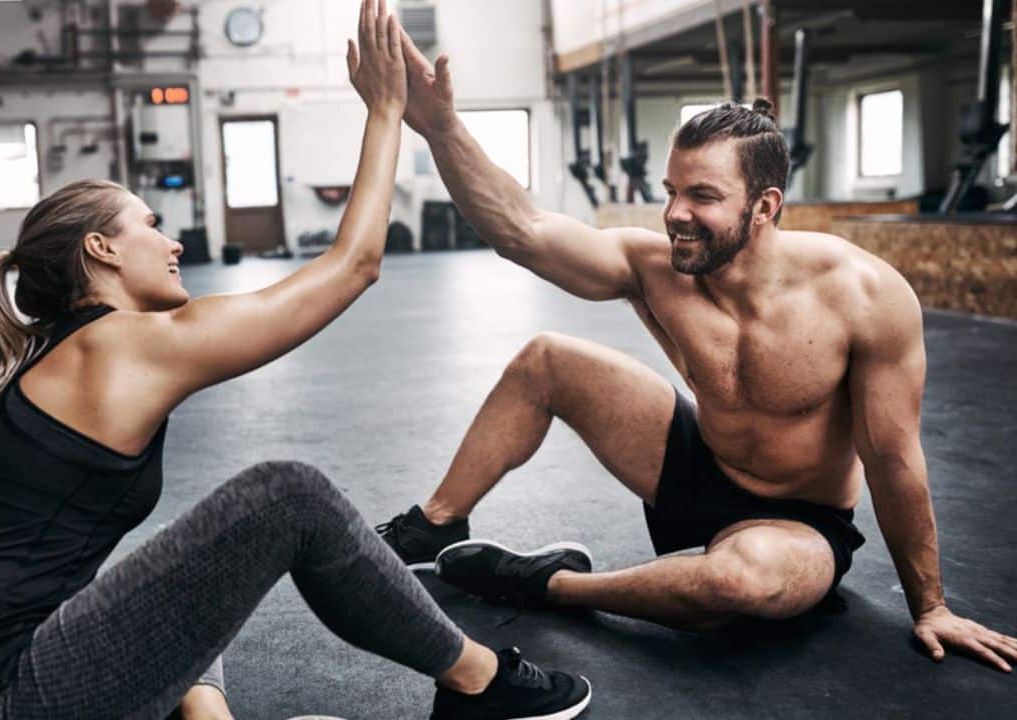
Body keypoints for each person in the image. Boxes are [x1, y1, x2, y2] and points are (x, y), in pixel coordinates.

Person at [0, 2, 592, 718]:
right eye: (149, 225)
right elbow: (353, 267)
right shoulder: (114, 347)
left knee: (184, 556)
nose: (173, 240)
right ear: (102, 249)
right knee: (287, 496)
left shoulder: (56, 355)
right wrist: (385, 111)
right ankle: (481, 681)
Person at [375, 31, 1017, 672]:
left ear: (764, 207)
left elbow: (893, 456)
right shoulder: (655, 267)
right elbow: (523, 230)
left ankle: (545, 582)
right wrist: (439, 128)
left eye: (703, 197)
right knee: (547, 358)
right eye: (670, 191)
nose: (675, 213)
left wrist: (931, 606)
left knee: (739, 583)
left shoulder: (864, 297)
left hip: (797, 521)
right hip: (691, 463)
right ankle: (436, 523)